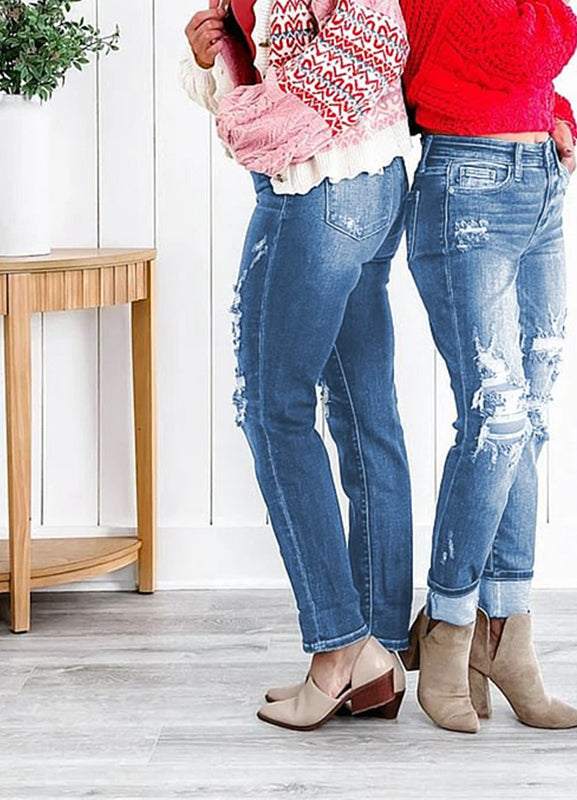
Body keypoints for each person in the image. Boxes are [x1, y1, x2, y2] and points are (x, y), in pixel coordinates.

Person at [180, 0, 414, 731]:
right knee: (364, 416)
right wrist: (214, 58)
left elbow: (301, 109)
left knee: (274, 412)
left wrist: (238, 111)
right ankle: (379, 654)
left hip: (316, 190)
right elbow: (284, 77)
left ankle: (339, 651)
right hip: (375, 181)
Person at [398, 0, 577, 733]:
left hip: (538, 182)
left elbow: (527, 64)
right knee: (498, 423)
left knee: (527, 425)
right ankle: (448, 626)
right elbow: (524, 40)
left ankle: (505, 632)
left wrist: (553, 112)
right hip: (465, 188)